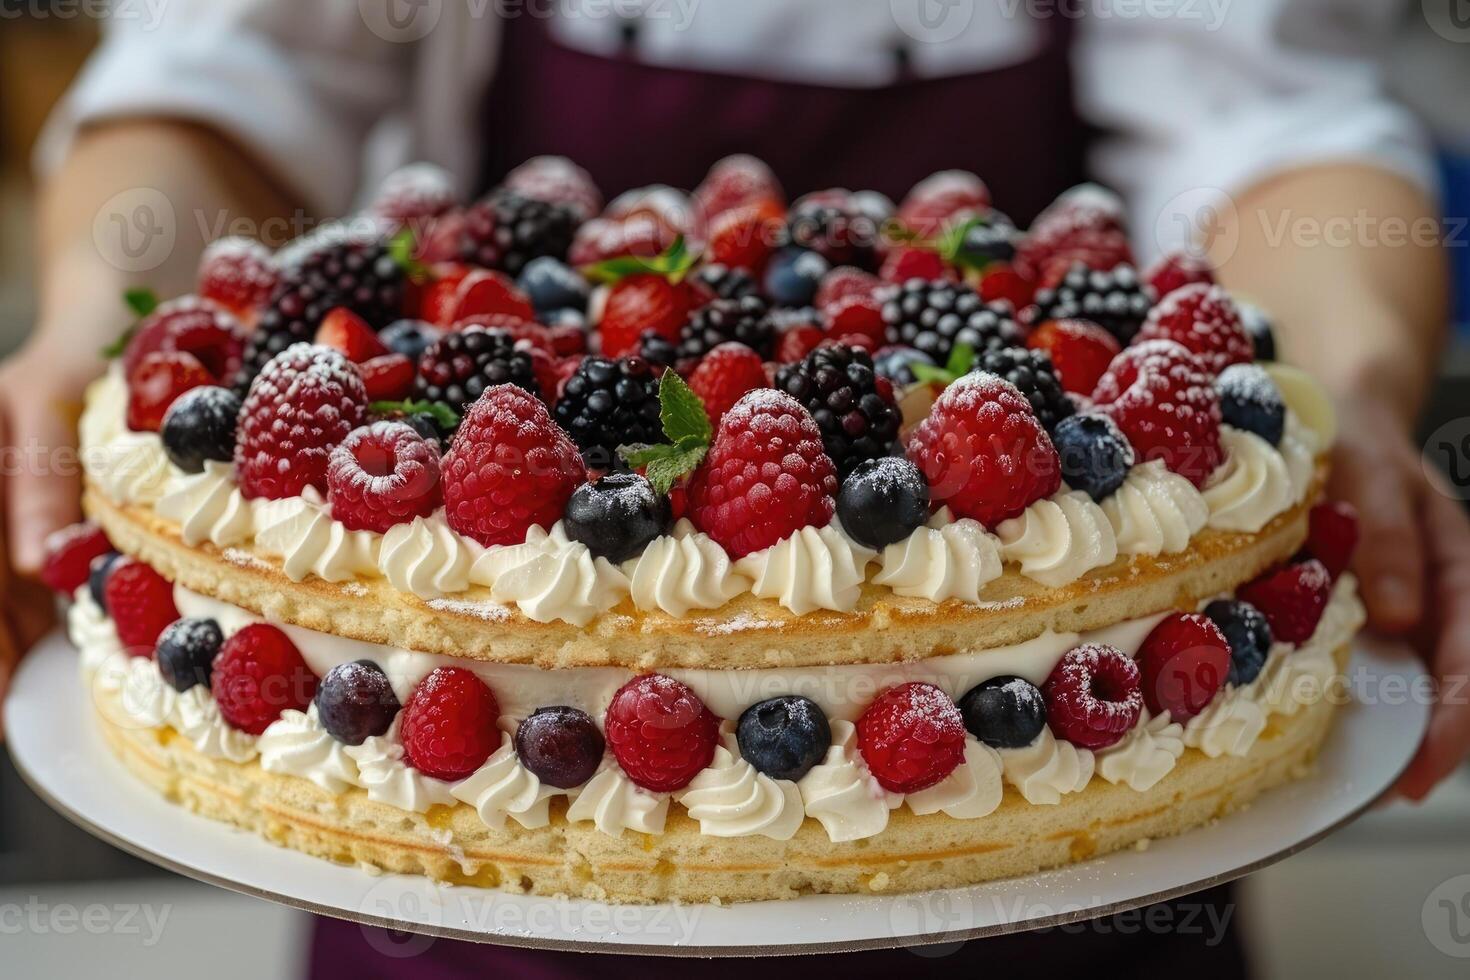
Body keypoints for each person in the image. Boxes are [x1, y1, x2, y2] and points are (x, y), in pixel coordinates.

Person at [2, 1, 1466, 975]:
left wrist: (1359, 387)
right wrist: (95, 323)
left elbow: (1271, 132)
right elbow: (213, 89)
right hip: (465, 930)